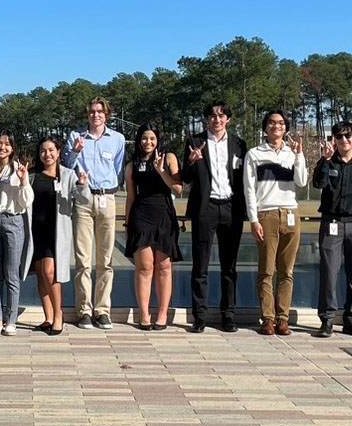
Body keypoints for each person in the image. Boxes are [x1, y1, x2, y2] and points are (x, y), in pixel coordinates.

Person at [180, 100, 248, 333]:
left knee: (229, 266)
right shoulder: (194, 142)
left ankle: (228, 315)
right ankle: (199, 316)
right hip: (205, 209)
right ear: (206, 119)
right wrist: (192, 161)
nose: (216, 120)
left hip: (231, 208)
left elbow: (244, 180)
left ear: (228, 119)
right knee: (200, 266)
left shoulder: (239, 144)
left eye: (221, 116)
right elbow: (186, 178)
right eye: (212, 116)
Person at [62, 96, 125, 330]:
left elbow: (118, 169)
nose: (95, 115)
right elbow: (66, 166)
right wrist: (76, 152)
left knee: (106, 259)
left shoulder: (117, 139)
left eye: (100, 111)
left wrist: (109, 189)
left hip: (107, 197)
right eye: (91, 111)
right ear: (87, 114)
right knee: (83, 258)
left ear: (106, 114)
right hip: (83, 198)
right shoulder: (75, 136)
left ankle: (102, 310)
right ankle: (84, 310)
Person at [244, 111, 308, 336]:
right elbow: (249, 189)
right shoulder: (254, 154)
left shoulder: (293, 154)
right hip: (266, 214)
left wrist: (299, 156)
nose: (276, 126)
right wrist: (253, 219)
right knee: (266, 270)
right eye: (272, 122)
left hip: (290, 213)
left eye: (281, 123)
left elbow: (301, 181)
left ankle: (283, 318)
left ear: (286, 128)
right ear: (265, 128)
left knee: (287, 270)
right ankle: (267, 319)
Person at [123, 121, 182, 331]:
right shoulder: (131, 164)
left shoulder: (169, 158)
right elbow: (130, 196)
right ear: (139, 141)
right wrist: (127, 224)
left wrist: (161, 171)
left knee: (164, 267)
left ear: (158, 141)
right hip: (141, 215)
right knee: (145, 267)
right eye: (144, 138)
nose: (148, 142)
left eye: (152, 138)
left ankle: (163, 314)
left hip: (164, 215)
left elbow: (177, 188)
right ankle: (144, 313)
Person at [29, 136, 89, 336]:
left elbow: (83, 199)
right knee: (40, 272)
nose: (47, 154)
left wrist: (82, 185)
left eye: (51, 150)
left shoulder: (68, 175)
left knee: (50, 272)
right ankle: (48, 316)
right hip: (35, 230)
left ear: (58, 152)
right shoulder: (32, 175)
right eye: (43, 151)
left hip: (55, 231)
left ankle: (58, 315)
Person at [0, 130, 33, 336]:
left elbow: (26, 202)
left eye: (7, 144)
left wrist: (23, 180)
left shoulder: (17, 169)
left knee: (11, 274)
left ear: (12, 147)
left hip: (13, 221)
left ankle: (11, 319)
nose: (2, 147)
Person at [314, 120, 352, 337]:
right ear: (334, 140)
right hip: (332, 224)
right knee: (329, 273)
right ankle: (327, 320)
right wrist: (326, 160)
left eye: (347, 136)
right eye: (339, 137)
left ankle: (350, 319)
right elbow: (318, 184)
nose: (344, 140)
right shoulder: (329, 161)